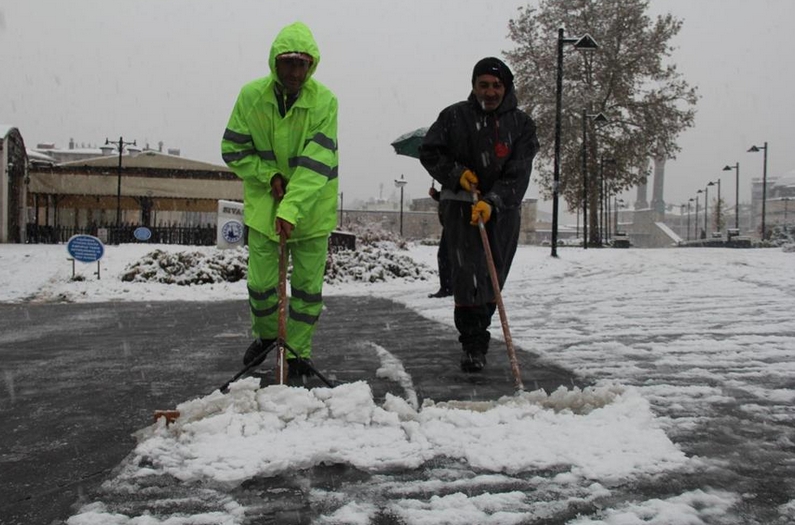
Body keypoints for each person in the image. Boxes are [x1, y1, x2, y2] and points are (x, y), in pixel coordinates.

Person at [221, 22, 338, 378]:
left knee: (306, 292)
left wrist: (290, 207)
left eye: (302, 64)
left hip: (312, 209)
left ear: (312, 65)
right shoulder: (251, 97)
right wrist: (267, 174)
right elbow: (233, 149)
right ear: (275, 62)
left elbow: (316, 164)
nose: (295, 71)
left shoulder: (325, 102)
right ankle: (269, 336)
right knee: (260, 287)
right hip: (263, 208)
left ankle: (298, 353)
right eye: (289, 62)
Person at [420, 57, 539, 372]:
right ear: (473, 86)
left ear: (506, 88)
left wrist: (495, 199)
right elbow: (430, 152)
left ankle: (479, 329)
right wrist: (456, 173)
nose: (490, 92)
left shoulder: (522, 126)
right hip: (463, 211)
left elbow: (519, 171)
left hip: (502, 214)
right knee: (468, 276)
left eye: (496, 85)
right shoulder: (454, 117)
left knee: (493, 277)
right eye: (483, 85)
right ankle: (473, 344)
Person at [428, 185, 453, 298]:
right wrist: (436, 195)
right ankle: (448, 287)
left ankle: (448, 288)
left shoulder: (453, 176)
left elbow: (453, 197)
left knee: (445, 256)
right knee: (445, 256)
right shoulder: (448, 180)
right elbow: (447, 197)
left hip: (455, 222)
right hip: (449, 223)